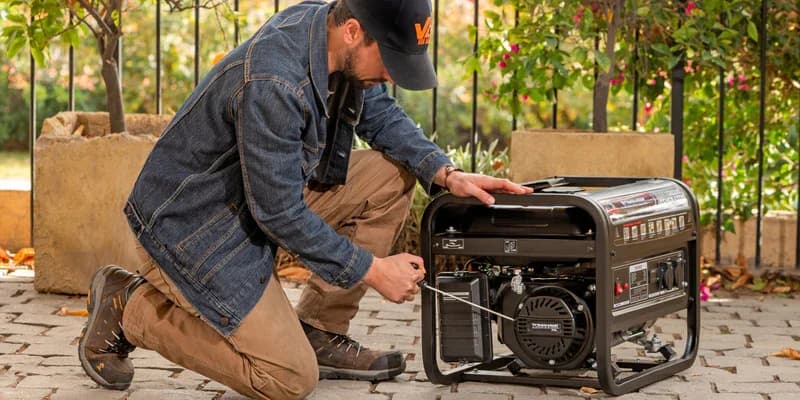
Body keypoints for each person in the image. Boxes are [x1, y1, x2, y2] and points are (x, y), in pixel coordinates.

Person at [77, 0, 532, 398]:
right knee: (288, 378)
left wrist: (448, 174)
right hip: (194, 229)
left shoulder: (330, 33)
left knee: (390, 177)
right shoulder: (274, 80)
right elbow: (278, 213)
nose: (392, 74)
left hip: (255, 200)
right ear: (353, 31)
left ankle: (320, 331)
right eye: (390, 59)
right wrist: (373, 270)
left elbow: (378, 115)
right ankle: (129, 306)